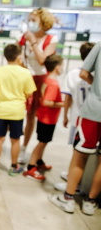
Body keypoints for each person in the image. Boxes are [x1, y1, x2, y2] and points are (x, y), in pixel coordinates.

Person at [49, 41, 101, 215]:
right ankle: (90, 202)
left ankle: (68, 197)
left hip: (94, 110)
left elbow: (84, 73)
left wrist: (96, 86)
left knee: (80, 155)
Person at [0, 44, 36, 176]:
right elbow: (30, 93)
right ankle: (14, 166)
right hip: (17, 112)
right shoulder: (25, 72)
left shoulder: (0, 70)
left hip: (1, 110)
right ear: (19, 56)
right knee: (15, 139)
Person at [18, 8, 58, 164]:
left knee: (31, 115)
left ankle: (24, 147)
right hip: (25, 77)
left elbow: (43, 60)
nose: (31, 23)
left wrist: (33, 42)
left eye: (34, 20)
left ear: (43, 22)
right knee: (16, 109)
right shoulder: (26, 36)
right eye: (30, 20)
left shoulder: (51, 39)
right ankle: (3, 137)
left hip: (40, 80)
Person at [54, 42, 94, 192]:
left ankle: (74, 184)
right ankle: (74, 176)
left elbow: (68, 98)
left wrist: (65, 115)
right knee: (85, 152)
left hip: (79, 119)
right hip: (90, 119)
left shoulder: (73, 74)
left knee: (77, 152)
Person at [23, 55, 64, 182]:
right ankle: (31, 167)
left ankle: (39, 161)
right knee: (42, 143)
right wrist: (63, 104)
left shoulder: (47, 80)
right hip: (47, 118)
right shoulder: (53, 83)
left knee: (44, 141)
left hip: (44, 117)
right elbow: (47, 102)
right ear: (57, 68)